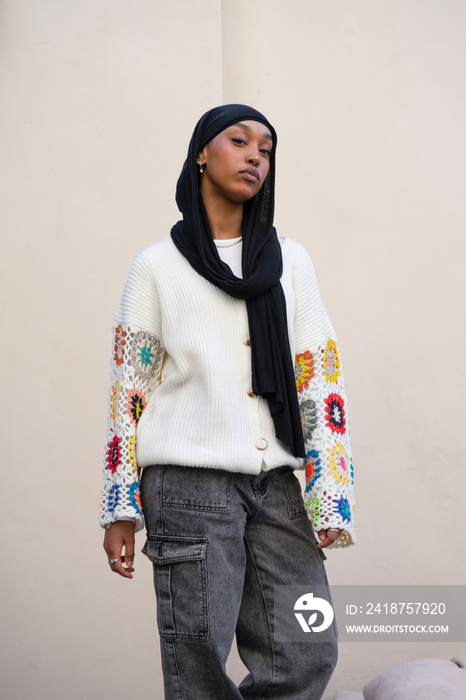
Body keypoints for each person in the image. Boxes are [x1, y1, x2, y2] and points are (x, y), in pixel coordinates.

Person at [100, 104, 356, 700]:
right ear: (200, 155)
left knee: (307, 650)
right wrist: (119, 505)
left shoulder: (290, 261)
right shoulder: (157, 267)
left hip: (277, 484)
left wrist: (330, 497)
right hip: (188, 484)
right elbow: (128, 392)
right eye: (239, 141)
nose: (254, 157)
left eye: (266, 150)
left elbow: (318, 378)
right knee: (199, 665)